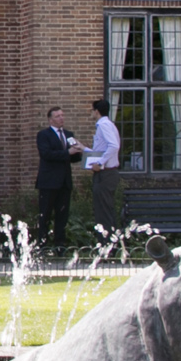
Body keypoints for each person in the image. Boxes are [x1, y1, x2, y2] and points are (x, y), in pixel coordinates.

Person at [35, 107, 81, 250]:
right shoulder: (44, 135)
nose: (61, 118)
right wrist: (67, 152)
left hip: (64, 181)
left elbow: (72, 158)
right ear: (50, 120)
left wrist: (77, 152)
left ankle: (60, 244)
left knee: (62, 214)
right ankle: (42, 244)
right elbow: (46, 154)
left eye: (62, 115)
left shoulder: (68, 135)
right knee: (45, 214)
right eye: (58, 116)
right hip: (49, 181)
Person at [85, 97, 124, 236]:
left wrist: (100, 163)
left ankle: (106, 244)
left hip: (105, 174)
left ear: (96, 111)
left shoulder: (103, 125)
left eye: (93, 110)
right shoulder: (109, 125)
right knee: (106, 209)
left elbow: (113, 146)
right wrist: (83, 149)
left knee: (103, 211)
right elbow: (102, 149)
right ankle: (110, 243)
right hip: (107, 173)